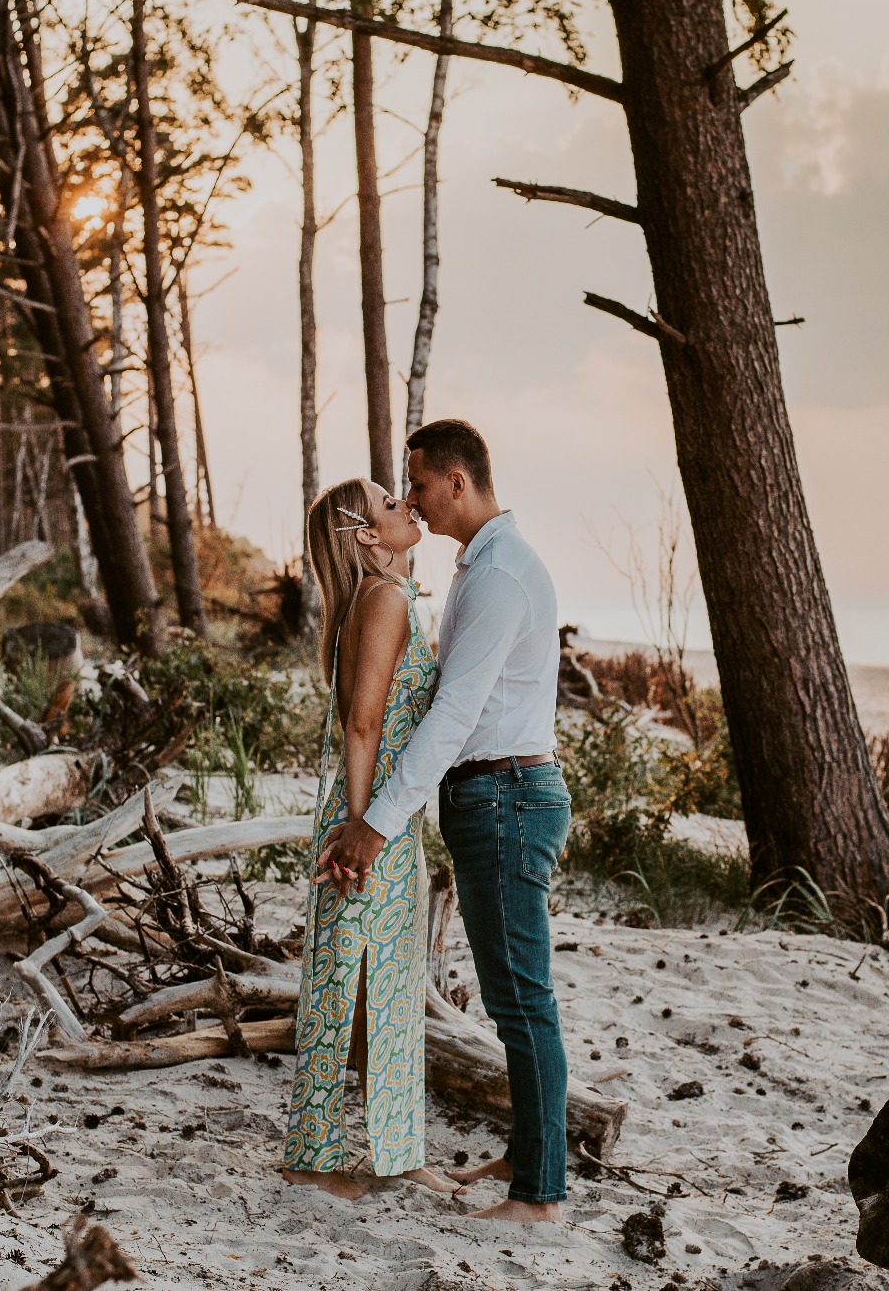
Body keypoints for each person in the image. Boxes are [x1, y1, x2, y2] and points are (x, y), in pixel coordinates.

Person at [320, 419, 570, 1223]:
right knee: (511, 997)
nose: (414, 499)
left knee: (522, 1000)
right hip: (491, 796)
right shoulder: (479, 567)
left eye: (419, 483)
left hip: (506, 796)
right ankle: (533, 1156)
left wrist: (378, 820)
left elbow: (456, 710)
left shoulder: (498, 577)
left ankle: (539, 1193)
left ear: (457, 482)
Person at [280, 477, 463, 1200]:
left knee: (377, 985)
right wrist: (364, 828)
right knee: (351, 986)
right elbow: (363, 724)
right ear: (365, 535)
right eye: (391, 504)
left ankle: (391, 1151)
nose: (407, 506)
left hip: (381, 819)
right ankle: (318, 1159)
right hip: (372, 821)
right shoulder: (383, 601)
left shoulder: (381, 599)